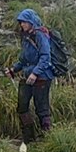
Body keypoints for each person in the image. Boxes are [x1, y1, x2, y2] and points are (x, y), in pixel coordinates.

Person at [5, 8, 55, 143]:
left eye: (24, 22)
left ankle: (47, 139)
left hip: (42, 78)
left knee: (42, 109)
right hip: (28, 77)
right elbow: (24, 59)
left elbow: (45, 57)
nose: (22, 25)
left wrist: (35, 73)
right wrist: (13, 70)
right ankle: (29, 139)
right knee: (22, 107)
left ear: (31, 22)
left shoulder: (40, 35)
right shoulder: (26, 37)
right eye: (21, 22)